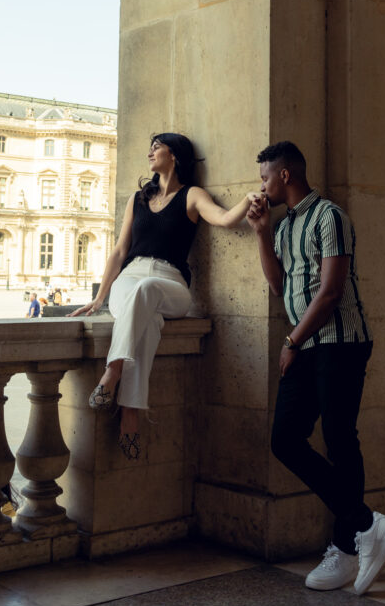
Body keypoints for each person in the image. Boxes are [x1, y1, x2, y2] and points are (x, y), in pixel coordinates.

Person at [246, 141, 385, 596]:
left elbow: (332, 291)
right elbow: (278, 286)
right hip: (307, 344)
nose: (262, 186)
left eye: (264, 178)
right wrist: (259, 232)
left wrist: (293, 340)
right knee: (285, 439)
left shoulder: (330, 216)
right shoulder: (284, 224)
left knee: (339, 438)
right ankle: (365, 524)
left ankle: (347, 546)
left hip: (341, 343)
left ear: (285, 176)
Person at [73, 133, 255, 461]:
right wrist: (100, 297)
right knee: (149, 322)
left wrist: (252, 198)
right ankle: (130, 411)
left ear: (175, 154)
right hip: (128, 281)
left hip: (169, 283)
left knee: (147, 292)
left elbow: (226, 219)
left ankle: (112, 371)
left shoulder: (192, 196)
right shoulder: (137, 199)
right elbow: (119, 251)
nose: (150, 152)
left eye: (156, 146)